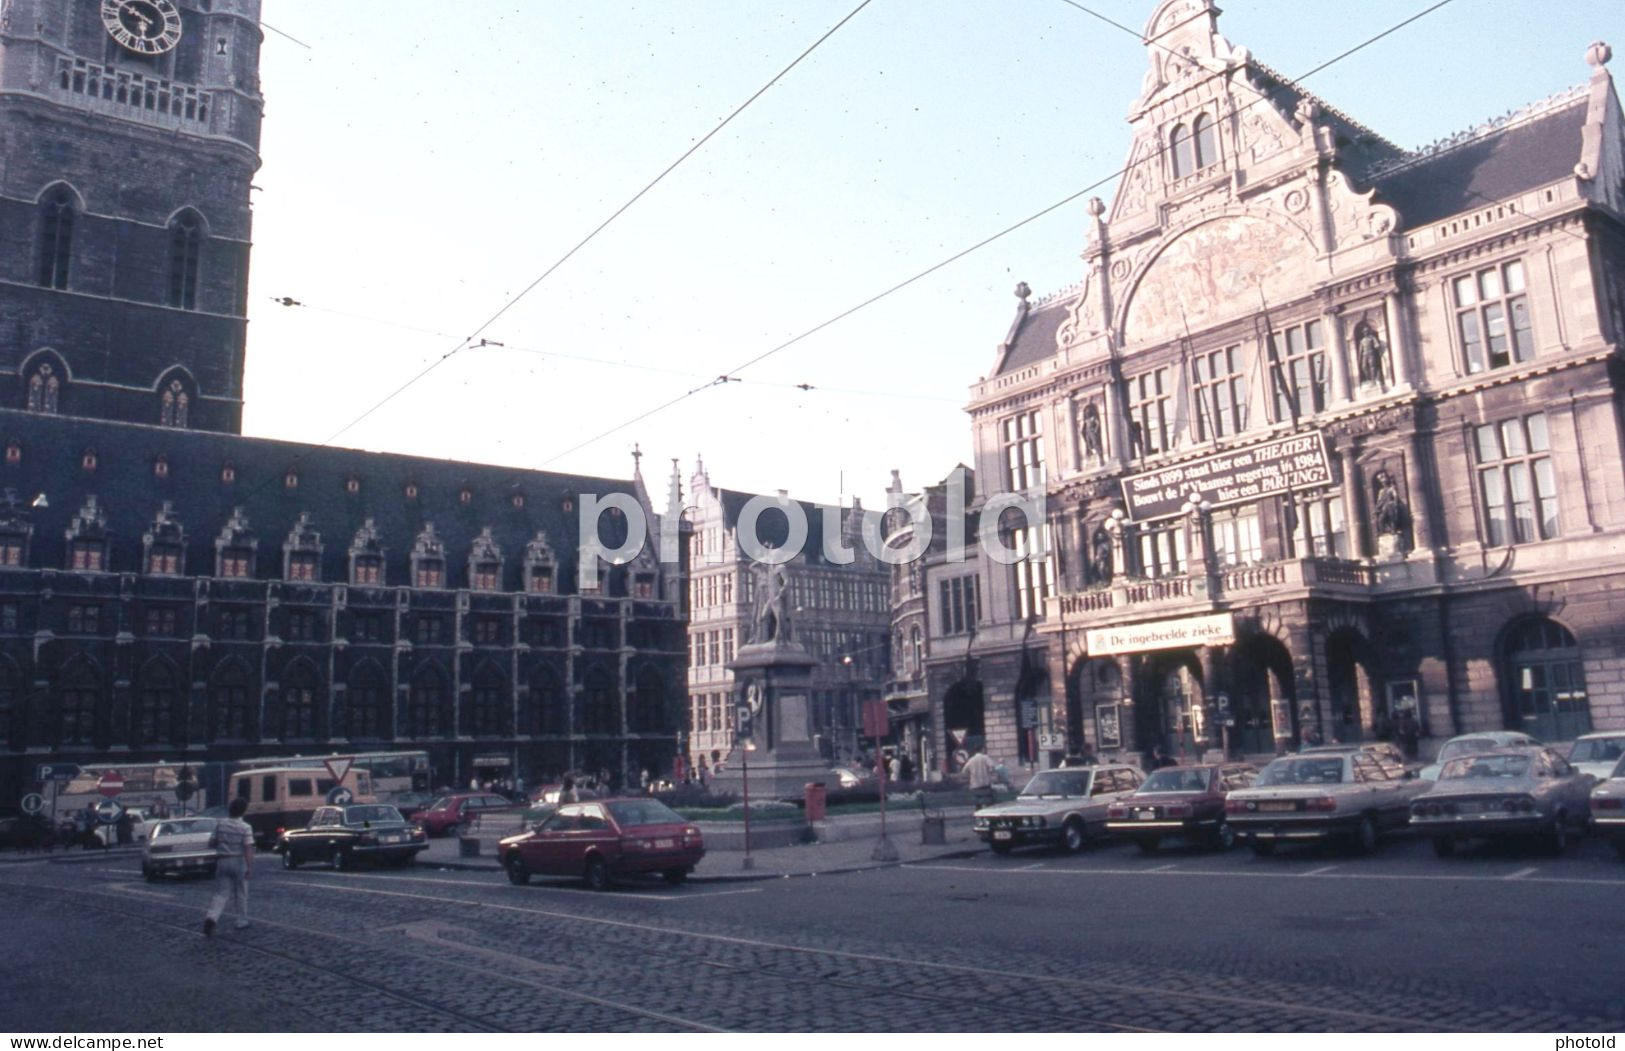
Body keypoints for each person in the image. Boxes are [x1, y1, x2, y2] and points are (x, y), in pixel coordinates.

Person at [203, 797, 254, 936]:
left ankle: (211, 917)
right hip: (239, 861)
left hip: (223, 860)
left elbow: (211, 843)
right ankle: (241, 920)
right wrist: (249, 867)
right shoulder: (245, 827)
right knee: (241, 892)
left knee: (221, 893)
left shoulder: (220, 824)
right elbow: (248, 848)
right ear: (243, 811)